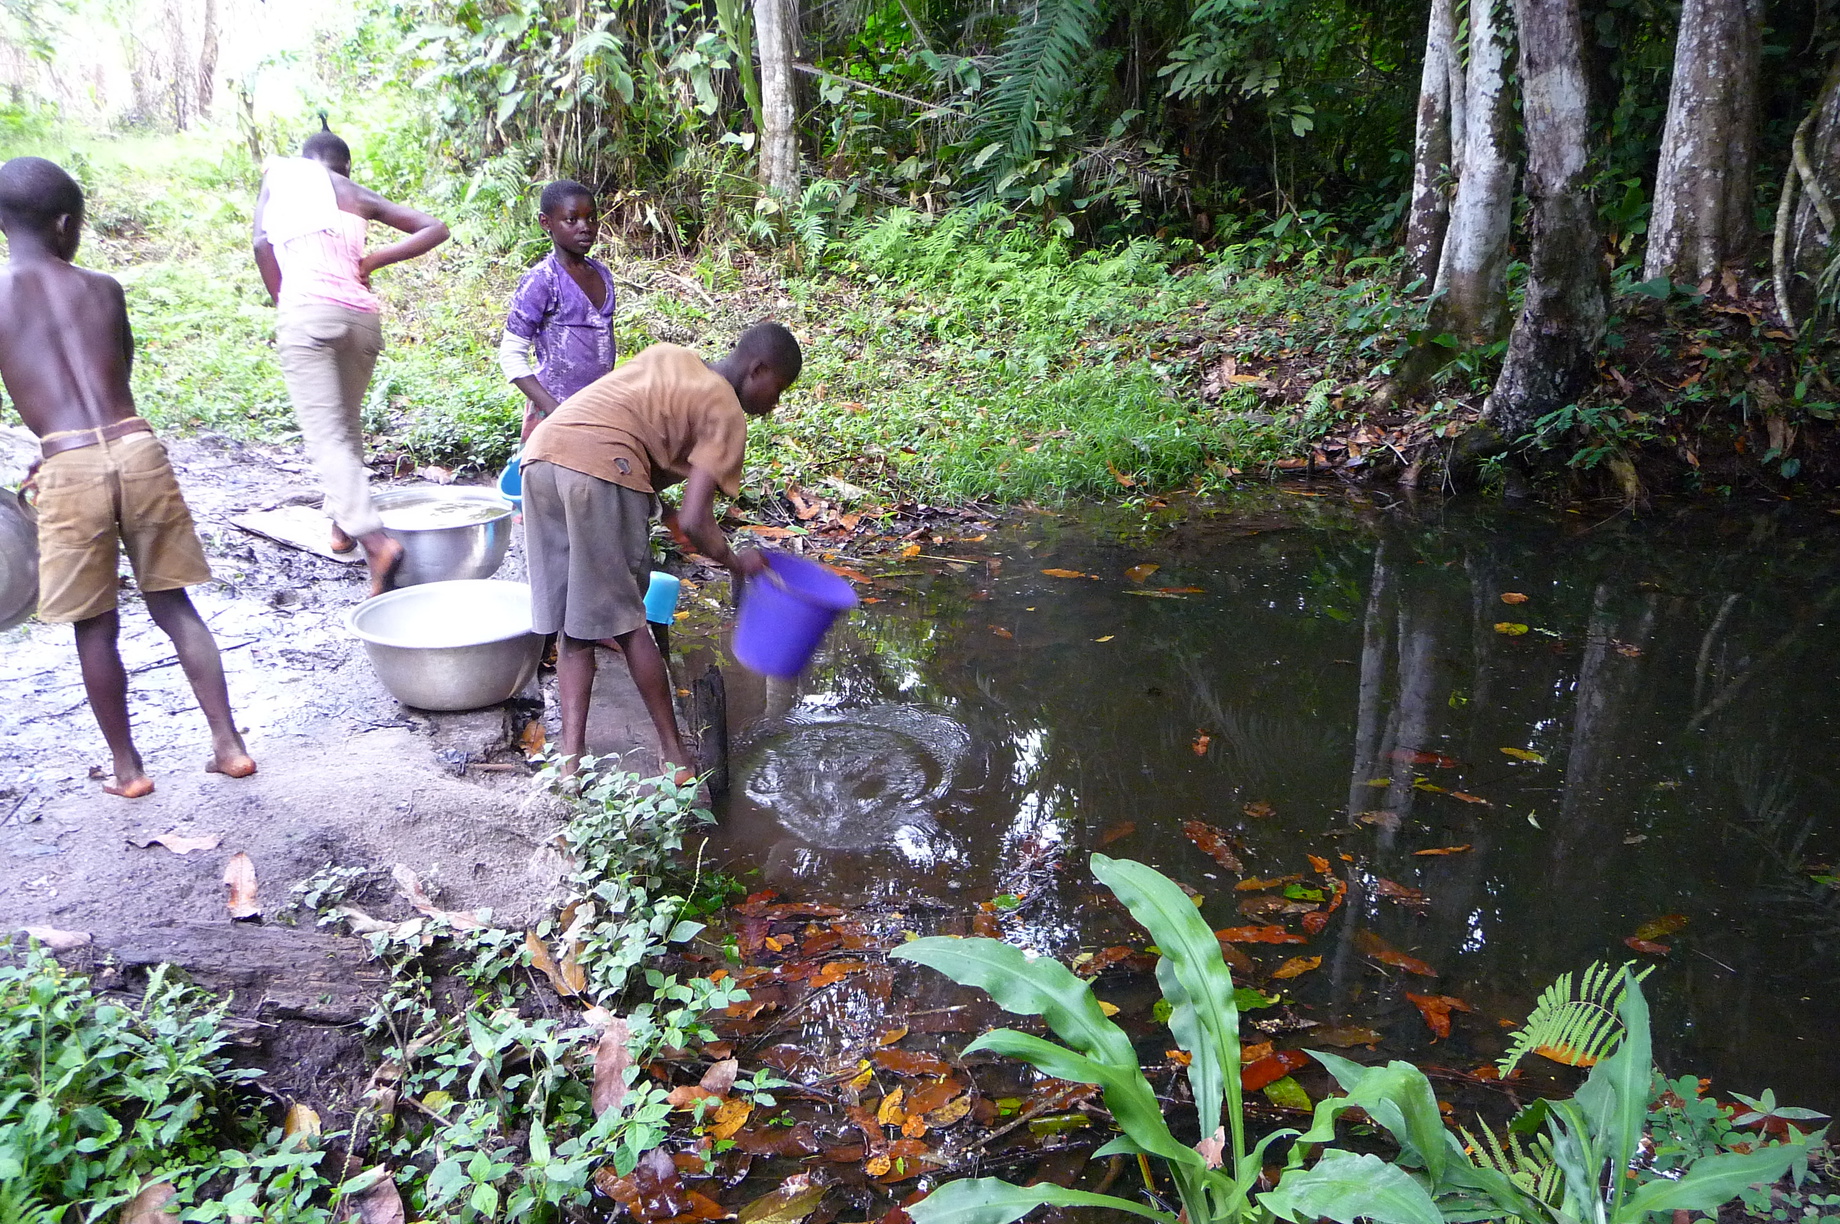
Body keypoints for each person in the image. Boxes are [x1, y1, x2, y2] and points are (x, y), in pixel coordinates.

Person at [0, 156, 257, 798]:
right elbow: (118, 373)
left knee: (95, 625)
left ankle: (128, 771)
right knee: (174, 603)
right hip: (136, 448)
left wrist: (58, 454)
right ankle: (229, 746)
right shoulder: (104, 288)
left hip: (66, 464)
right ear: (66, 224)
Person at [520, 324, 802, 778]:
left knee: (574, 623)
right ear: (758, 370)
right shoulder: (726, 409)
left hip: (539, 459)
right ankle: (676, 756)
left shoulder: (672, 358)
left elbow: (624, 421)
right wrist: (736, 562)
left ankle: (570, 764)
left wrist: (661, 511)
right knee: (630, 622)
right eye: (779, 389)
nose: (776, 403)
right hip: (599, 469)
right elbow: (696, 521)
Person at [252, 119, 449, 595]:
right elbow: (435, 228)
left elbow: (261, 244)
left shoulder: (283, 179)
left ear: (306, 160)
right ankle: (342, 525)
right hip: (361, 320)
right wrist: (371, 261)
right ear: (345, 166)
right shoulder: (354, 193)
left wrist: (285, 301)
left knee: (326, 437)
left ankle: (375, 541)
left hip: (308, 317)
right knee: (346, 423)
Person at [499, 180, 617, 442]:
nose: (585, 227)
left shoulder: (602, 275)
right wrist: (555, 410)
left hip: (599, 410)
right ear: (546, 222)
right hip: (554, 413)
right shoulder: (542, 280)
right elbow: (510, 354)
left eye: (591, 218)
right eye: (571, 220)